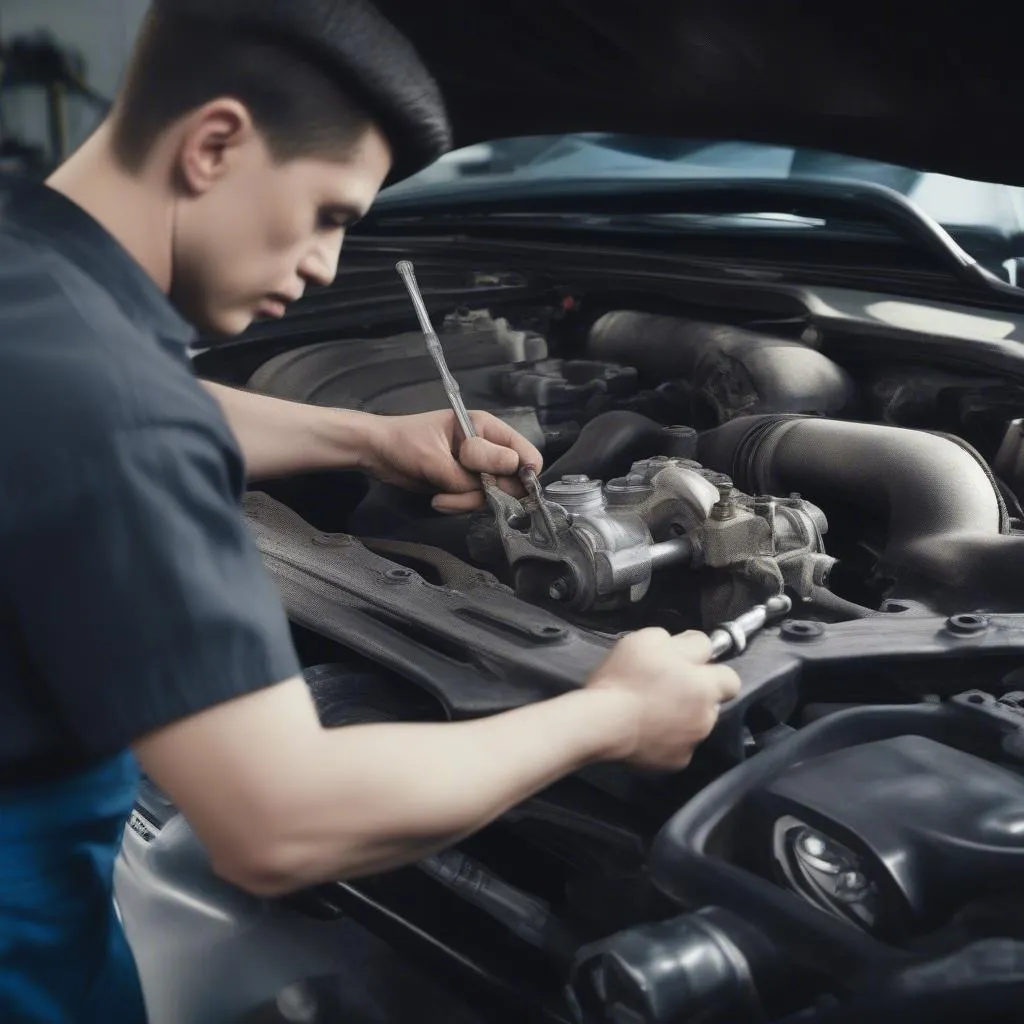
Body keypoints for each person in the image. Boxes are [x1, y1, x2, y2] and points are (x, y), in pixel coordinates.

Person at [0, 1, 740, 1021]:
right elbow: (279, 822)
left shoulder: (26, 272)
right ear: (214, 144)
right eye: (331, 214)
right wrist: (609, 715)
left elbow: (85, 408)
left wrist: (364, 435)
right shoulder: (120, 408)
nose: (326, 266)